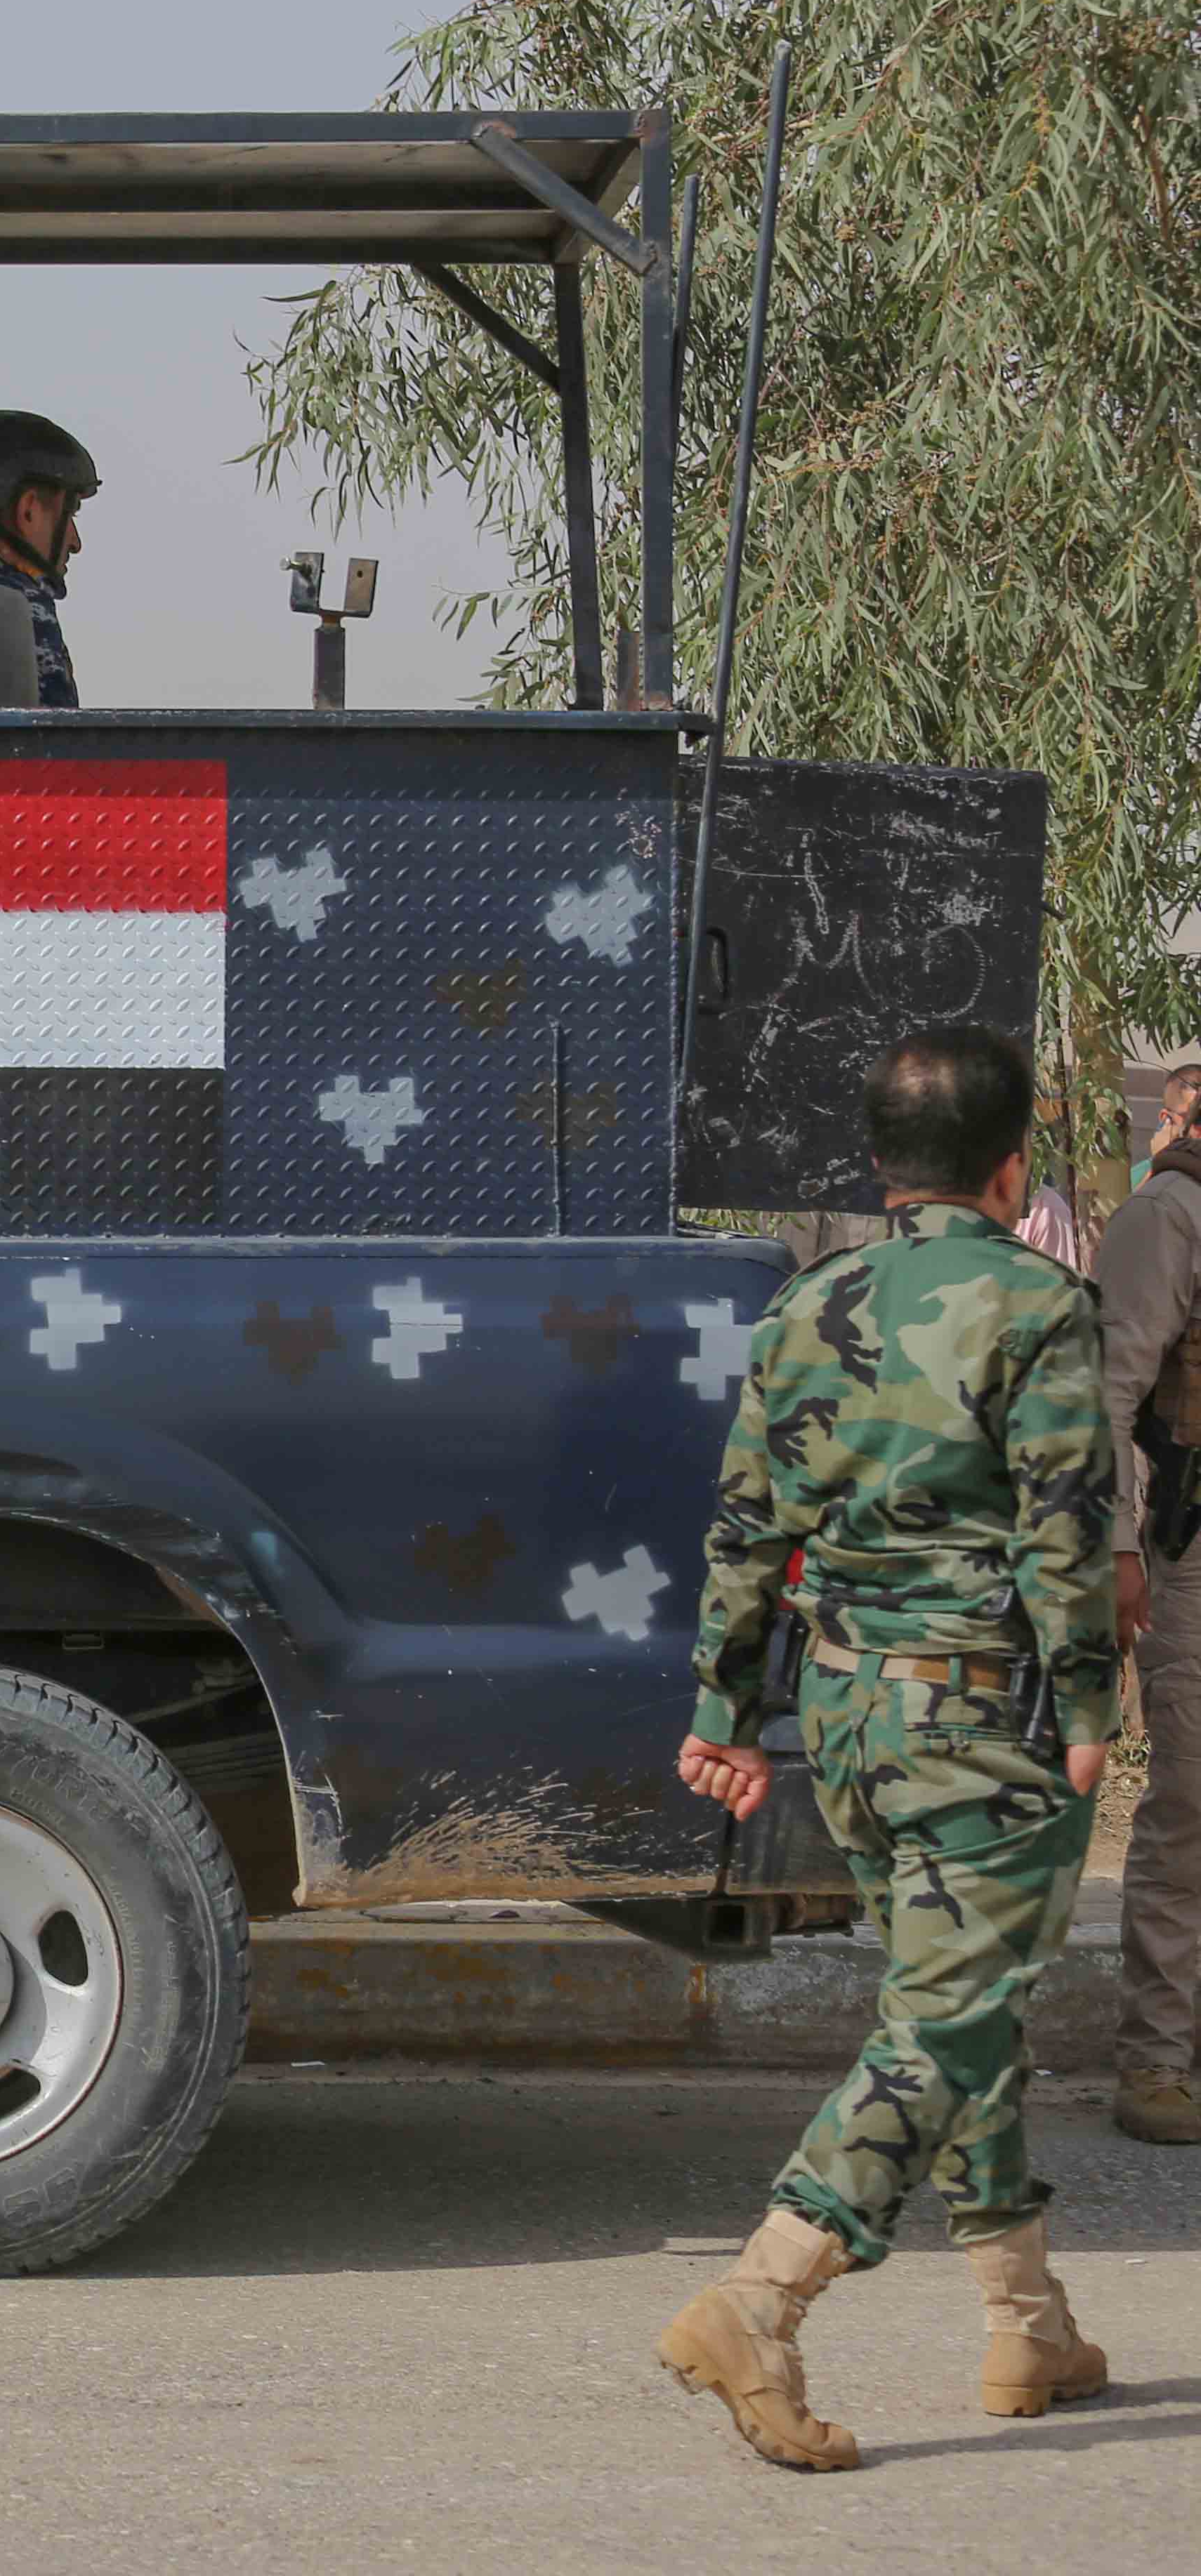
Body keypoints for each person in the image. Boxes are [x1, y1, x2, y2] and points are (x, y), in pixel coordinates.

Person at [662, 1021, 1120, 2470]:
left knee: (964, 2003)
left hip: (852, 1712)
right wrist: (1093, 1711)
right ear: (1013, 1168)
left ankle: (1027, 2325)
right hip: (985, 1717)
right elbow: (1065, 1530)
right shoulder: (1039, 1302)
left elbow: (748, 1524)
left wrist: (725, 1713)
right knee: (952, 2016)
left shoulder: (810, 1302)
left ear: (880, 1168)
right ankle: (763, 2296)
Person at [1094, 1088, 1201, 2143]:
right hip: (1192, 1552)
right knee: (1190, 1807)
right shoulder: (1169, 1214)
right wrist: (1119, 1546)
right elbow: (1107, 1394)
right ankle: (1159, 2060)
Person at [0, 408, 96, 707]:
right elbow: (52, 732)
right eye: (71, 513)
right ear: (29, 510)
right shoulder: (17, 609)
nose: (75, 542)